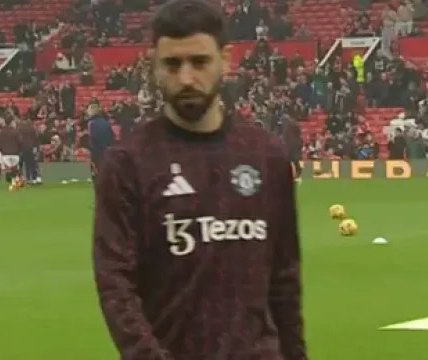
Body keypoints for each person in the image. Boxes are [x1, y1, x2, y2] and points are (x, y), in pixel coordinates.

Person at [92, 1, 308, 359]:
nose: (186, 78)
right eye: (172, 64)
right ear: (154, 66)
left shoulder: (266, 157)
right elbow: (116, 286)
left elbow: (284, 282)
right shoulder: (128, 164)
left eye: (199, 62)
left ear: (226, 59)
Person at [87, 103, 115, 183]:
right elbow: (112, 136)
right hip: (107, 150)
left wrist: (92, 151)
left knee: (97, 172)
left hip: (98, 151)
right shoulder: (105, 122)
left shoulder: (91, 123)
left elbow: (93, 139)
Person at [0, 117, 23, 190]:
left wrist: (1, 150)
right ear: (11, 122)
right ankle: (16, 182)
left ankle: (14, 183)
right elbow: (21, 142)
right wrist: (19, 150)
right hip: (15, 154)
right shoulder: (16, 131)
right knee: (14, 168)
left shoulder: (1, 132)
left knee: (9, 169)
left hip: (5, 154)